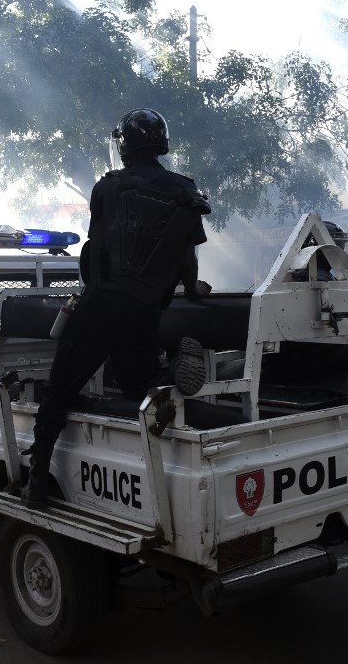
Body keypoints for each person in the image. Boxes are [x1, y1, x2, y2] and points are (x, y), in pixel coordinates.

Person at [20, 108, 211, 510]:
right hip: (145, 310)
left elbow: (97, 251)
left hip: (101, 303)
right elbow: (187, 259)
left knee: (59, 390)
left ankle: (36, 479)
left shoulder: (108, 187)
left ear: (123, 144)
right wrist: (192, 288)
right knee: (137, 388)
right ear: (161, 142)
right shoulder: (187, 191)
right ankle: (166, 381)